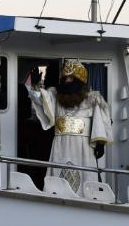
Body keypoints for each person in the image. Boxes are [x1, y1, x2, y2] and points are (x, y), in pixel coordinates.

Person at [25, 58, 112, 193]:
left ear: (79, 81)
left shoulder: (92, 99)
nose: (66, 81)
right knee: (58, 183)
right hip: (61, 147)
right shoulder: (55, 96)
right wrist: (36, 84)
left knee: (85, 182)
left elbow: (101, 123)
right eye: (65, 78)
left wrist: (100, 143)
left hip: (83, 149)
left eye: (70, 78)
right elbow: (39, 98)